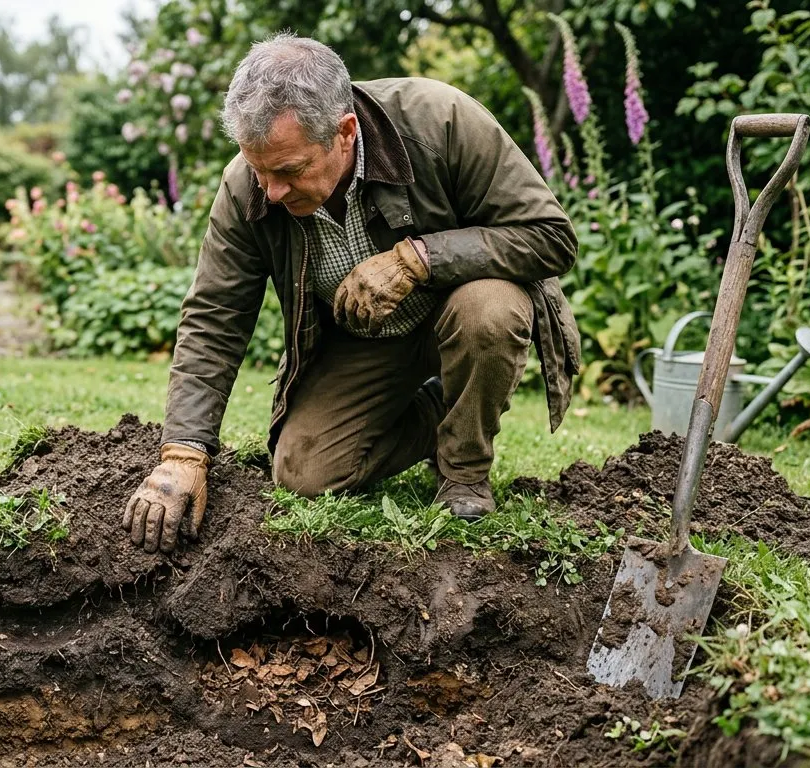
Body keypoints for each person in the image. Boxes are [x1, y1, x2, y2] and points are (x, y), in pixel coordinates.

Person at [122, 33, 582, 554]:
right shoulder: (246, 187)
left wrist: (418, 259)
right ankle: (439, 411)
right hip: (365, 340)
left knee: (489, 310)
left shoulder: (441, 120)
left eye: (289, 170)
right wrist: (184, 454)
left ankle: (464, 473)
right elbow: (215, 315)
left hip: (463, 312)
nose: (270, 191)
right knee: (305, 472)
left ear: (344, 132)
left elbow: (551, 236)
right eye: (258, 169)